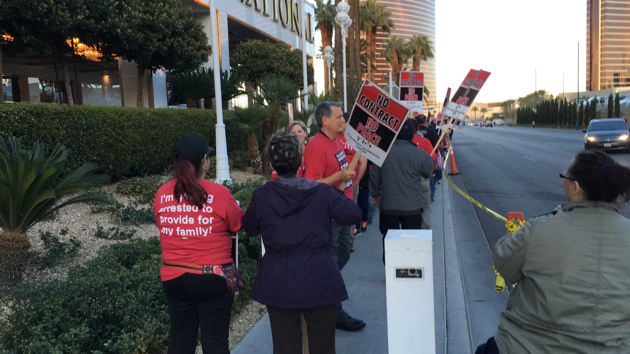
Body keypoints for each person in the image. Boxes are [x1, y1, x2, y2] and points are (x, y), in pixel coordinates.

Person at [476, 150, 630, 354]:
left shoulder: (540, 228)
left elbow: (504, 264)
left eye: (564, 177)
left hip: (526, 345)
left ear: (576, 187)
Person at [243, 132, 361, 354]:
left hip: (279, 279)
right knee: (323, 345)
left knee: (285, 345)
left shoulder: (262, 195)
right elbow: (353, 214)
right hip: (320, 277)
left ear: (271, 163)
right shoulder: (322, 192)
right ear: (300, 161)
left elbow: (249, 227)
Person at [154, 134, 245, 354]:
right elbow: (238, 224)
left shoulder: (161, 194)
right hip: (212, 279)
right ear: (204, 160)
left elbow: (162, 225)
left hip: (173, 279)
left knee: (180, 339)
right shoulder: (220, 194)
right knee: (214, 342)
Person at [303, 101, 366, 332]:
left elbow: (347, 170)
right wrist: (338, 176)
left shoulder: (336, 142)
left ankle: (323, 297)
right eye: (339, 117)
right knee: (330, 266)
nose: (343, 120)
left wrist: (351, 174)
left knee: (341, 258)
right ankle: (332, 311)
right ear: (324, 120)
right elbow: (310, 184)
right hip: (327, 217)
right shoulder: (316, 147)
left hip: (341, 212)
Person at [370, 120, 433, 264]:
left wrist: (375, 195)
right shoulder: (421, 155)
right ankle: (408, 270)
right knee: (411, 242)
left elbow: (375, 176)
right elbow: (428, 172)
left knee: (388, 241)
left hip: (388, 207)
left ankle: (391, 270)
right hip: (412, 208)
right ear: (413, 134)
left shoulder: (382, 154)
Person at [338, 112, 368, 242]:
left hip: (351, 181)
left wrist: (357, 181)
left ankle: (350, 239)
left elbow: (363, 162)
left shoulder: (357, 139)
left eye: (342, 120)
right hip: (336, 180)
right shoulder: (335, 137)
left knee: (350, 209)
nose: (339, 123)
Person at [410, 119, 435, 229]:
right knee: (425, 206)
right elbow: (433, 159)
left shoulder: (399, 143)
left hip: (406, 178)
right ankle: (424, 232)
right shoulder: (425, 142)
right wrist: (429, 174)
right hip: (422, 177)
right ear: (417, 129)